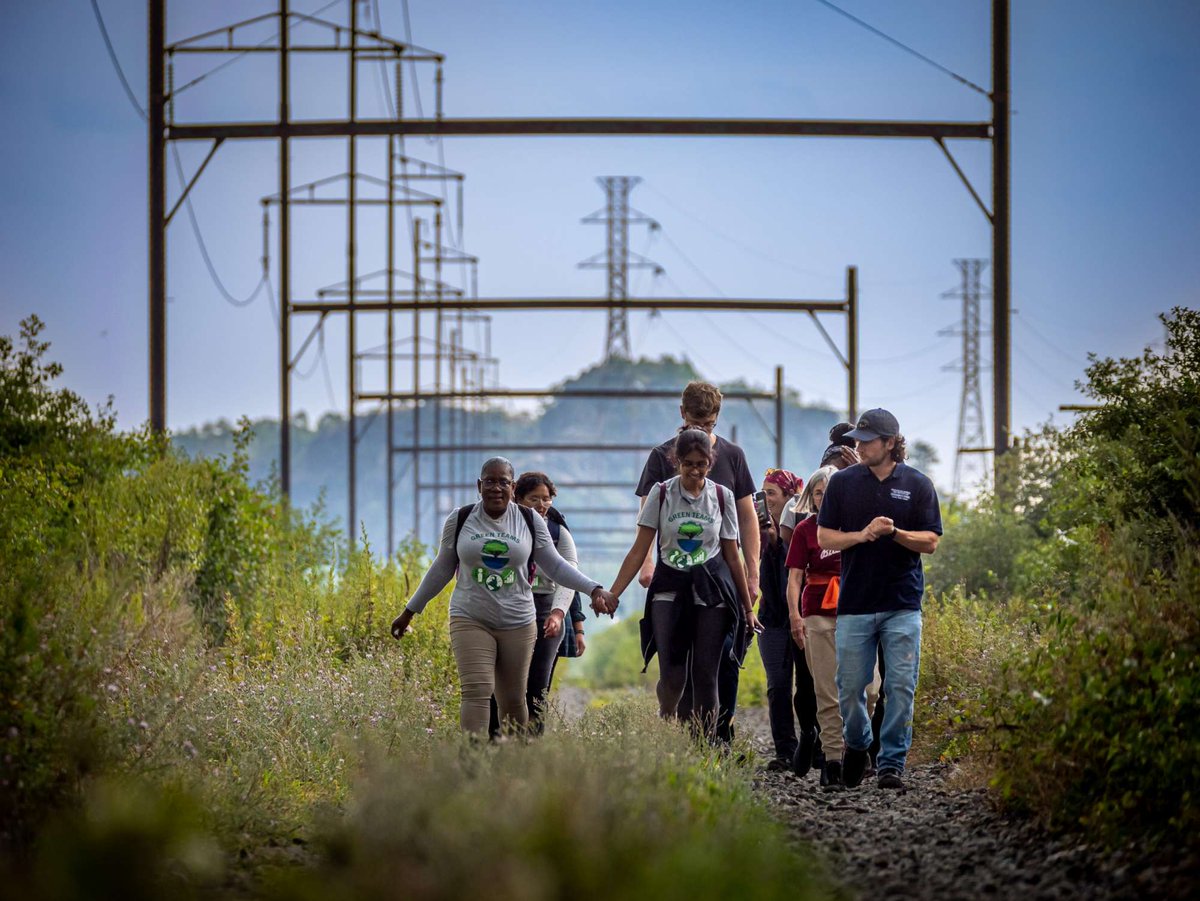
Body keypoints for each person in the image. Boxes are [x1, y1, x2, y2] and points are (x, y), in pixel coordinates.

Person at [390, 457, 618, 736]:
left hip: (518, 620)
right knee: (477, 690)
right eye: (489, 481)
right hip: (470, 616)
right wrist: (410, 610)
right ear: (479, 485)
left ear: (512, 487)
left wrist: (594, 589)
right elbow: (442, 567)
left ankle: (517, 758)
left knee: (512, 698)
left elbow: (557, 566)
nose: (495, 488)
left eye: (502, 482)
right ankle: (474, 761)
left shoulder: (529, 520)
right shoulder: (461, 519)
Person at [817, 409, 942, 790]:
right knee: (850, 688)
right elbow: (824, 538)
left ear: (890, 443)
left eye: (867, 440)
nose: (858, 446)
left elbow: (931, 542)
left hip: (902, 603)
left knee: (900, 686)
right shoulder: (842, 483)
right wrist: (863, 535)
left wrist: (896, 533)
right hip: (855, 602)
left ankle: (891, 764)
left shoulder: (918, 484)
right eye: (856, 439)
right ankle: (857, 744)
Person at [612, 429, 761, 739]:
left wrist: (748, 608)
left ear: (711, 462)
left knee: (707, 674)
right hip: (670, 586)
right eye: (688, 464)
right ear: (676, 461)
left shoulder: (721, 496)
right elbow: (640, 548)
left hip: (711, 590)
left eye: (702, 464)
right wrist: (614, 593)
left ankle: (705, 748)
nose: (695, 471)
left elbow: (733, 555)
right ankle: (668, 721)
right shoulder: (661, 493)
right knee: (673, 674)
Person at [786, 465, 881, 790]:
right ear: (810, 497)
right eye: (818, 492)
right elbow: (795, 578)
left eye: (830, 492)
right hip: (818, 613)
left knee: (868, 690)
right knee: (826, 691)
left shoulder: (858, 528)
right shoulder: (805, 530)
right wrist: (795, 616)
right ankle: (832, 762)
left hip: (858, 612)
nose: (825, 498)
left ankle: (856, 747)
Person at [755, 467, 822, 773]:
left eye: (772, 493)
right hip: (771, 617)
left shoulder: (806, 527)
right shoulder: (758, 529)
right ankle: (786, 750)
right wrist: (761, 537)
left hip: (803, 614)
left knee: (810, 683)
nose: (766, 499)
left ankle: (818, 747)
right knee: (778, 684)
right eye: (764, 492)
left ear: (789, 497)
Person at [512, 471, 587, 733]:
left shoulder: (558, 532)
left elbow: (569, 576)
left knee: (537, 684)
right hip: (510, 607)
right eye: (534, 499)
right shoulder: (506, 529)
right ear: (518, 498)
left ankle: (532, 741)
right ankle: (499, 737)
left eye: (546, 499)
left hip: (547, 609)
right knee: (508, 682)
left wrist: (564, 618)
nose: (542, 505)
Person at [779, 421, 858, 546]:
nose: (835, 482)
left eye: (845, 475)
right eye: (832, 474)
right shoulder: (796, 508)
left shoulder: (860, 509)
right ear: (821, 469)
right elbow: (786, 557)